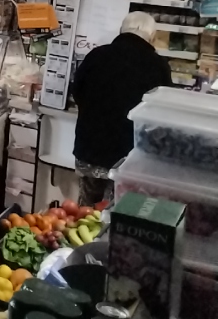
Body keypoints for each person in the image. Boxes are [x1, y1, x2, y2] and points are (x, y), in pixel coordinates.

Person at [72, 11, 171, 206]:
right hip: (128, 157)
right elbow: (161, 112)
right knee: (115, 211)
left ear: (121, 31)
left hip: (89, 149)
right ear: (152, 37)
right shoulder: (158, 66)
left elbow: (78, 92)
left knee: (84, 212)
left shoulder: (96, 55)